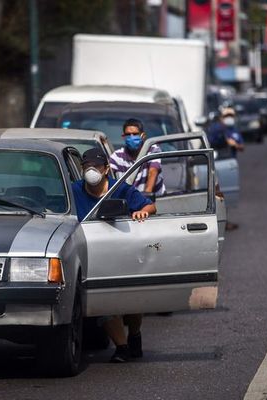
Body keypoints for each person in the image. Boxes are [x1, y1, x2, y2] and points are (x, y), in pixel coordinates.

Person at [71, 148, 156, 363]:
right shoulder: (74, 191)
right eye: (86, 167)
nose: (91, 171)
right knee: (105, 302)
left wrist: (142, 212)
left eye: (96, 167)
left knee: (133, 303)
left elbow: (149, 205)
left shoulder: (121, 189)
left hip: (123, 252)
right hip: (92, 255)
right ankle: (122, 347)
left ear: (106, 169)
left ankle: (134, 335)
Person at [207, 107, 244, 230]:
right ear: (222, 117)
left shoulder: (234, 131)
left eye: (231, 116)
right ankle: (215, 222)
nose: (229, 118)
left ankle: (224, 222)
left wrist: (235, 144)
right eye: (226, 116)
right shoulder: (216, 129)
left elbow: (241, 146)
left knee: (226, 195)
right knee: (215, 194)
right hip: (217, 164)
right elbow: (209, 142)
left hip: (229, 165)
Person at [109, 118, 166, 196]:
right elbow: (109, 177)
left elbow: (153, 172)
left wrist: (147, 195)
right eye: (128, 134)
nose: (132, 137)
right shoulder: (117, 157)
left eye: (135, 134)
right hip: (129, 201)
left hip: (155, 199)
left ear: (143, 136)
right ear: (123, 136)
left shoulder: (152, 150)